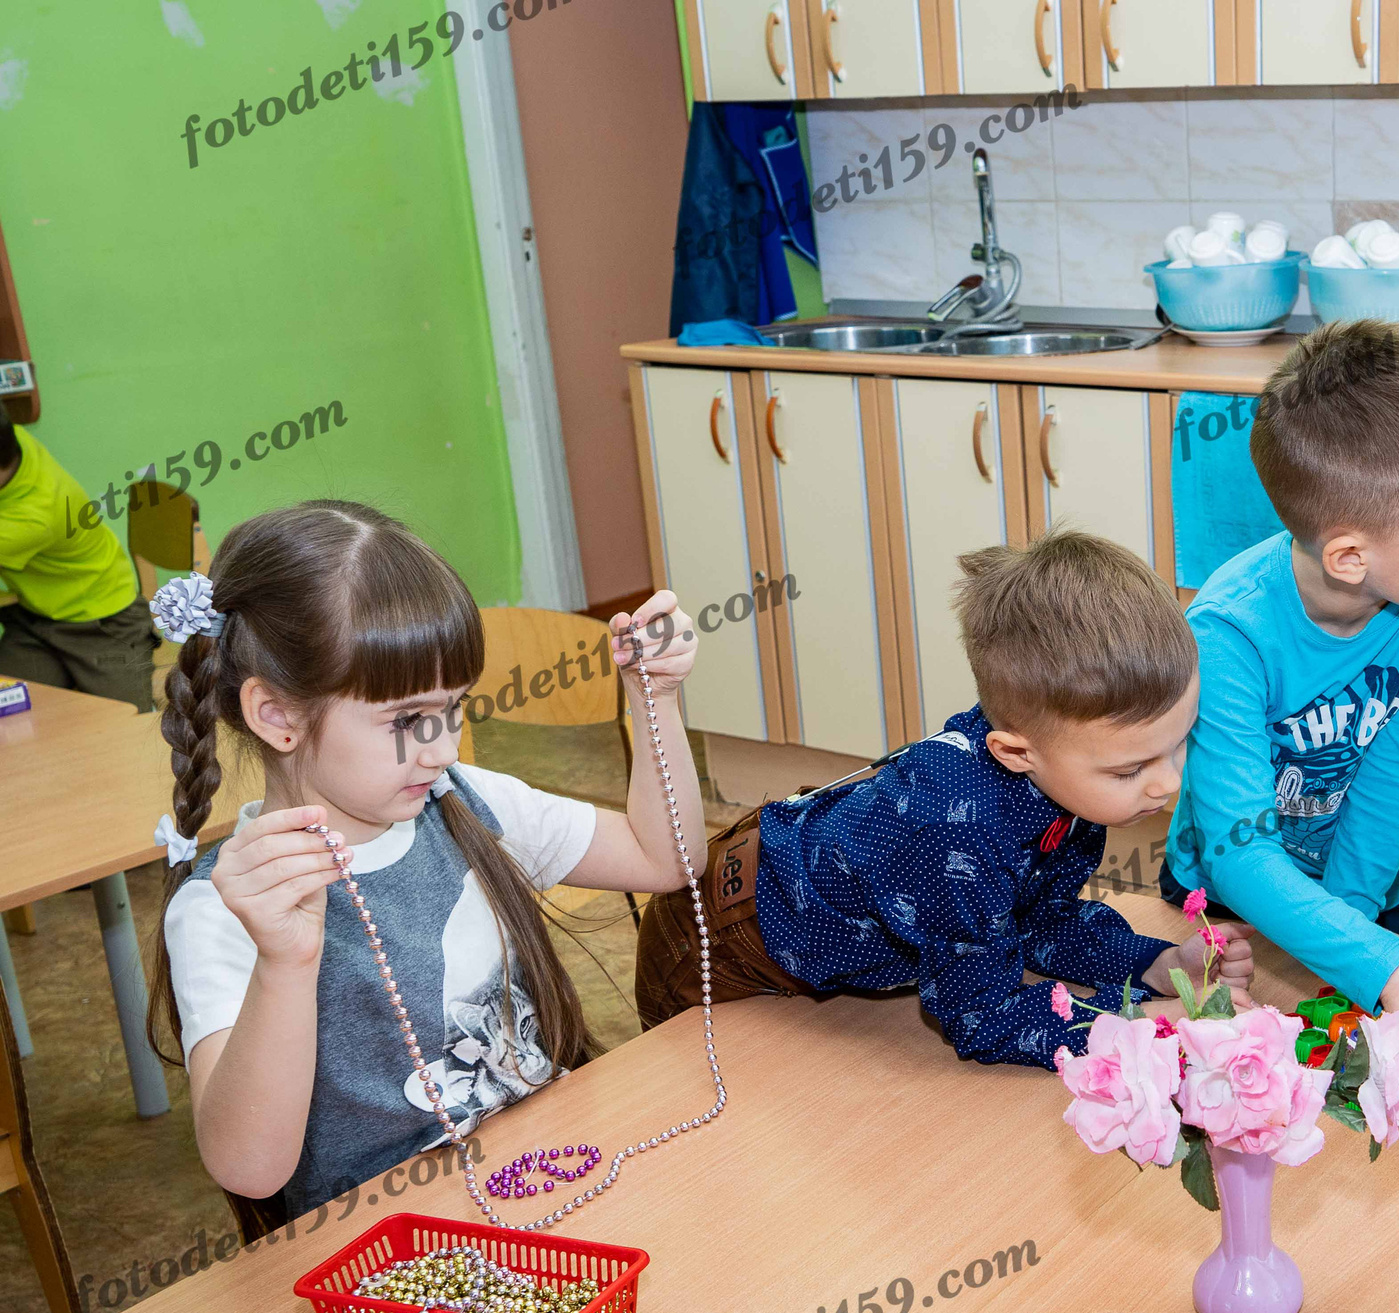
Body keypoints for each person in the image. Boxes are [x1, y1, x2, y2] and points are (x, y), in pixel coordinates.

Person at [151, 500, 708, 1225]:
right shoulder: (225, 909)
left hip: (561, 1179)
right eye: (407, 721)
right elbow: (251, 1168)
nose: (443, 748)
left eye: (452, 709)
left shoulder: (470, 802)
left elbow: (665, 856)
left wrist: (654, 700)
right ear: (278, 716)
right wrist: (284, 962)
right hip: (404, 1253)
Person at [632, 528, 1247, 1064]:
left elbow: (1035, 920)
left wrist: (1156, 966)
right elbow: (981, 1018)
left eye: (1177, 744)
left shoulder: (1066, 772)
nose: (1167, 783)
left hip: (766, 898)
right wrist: (1147, 1026)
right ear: (1014, 752)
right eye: (1131, 768)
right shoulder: (958, 827)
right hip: (714, 950)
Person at [1158, 319, 1399, 1094]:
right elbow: (1239, 851)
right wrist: (1376, 964)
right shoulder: (1227, 635)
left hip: (1380, 886)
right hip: (1234, 906)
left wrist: (1360, 946)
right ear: (1352, 556)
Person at [0, 418, 156, 712]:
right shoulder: (13, 439)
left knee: (129, 725)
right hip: (36, 618)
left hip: (103, 621)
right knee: (16, 715)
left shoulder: (34, 518)